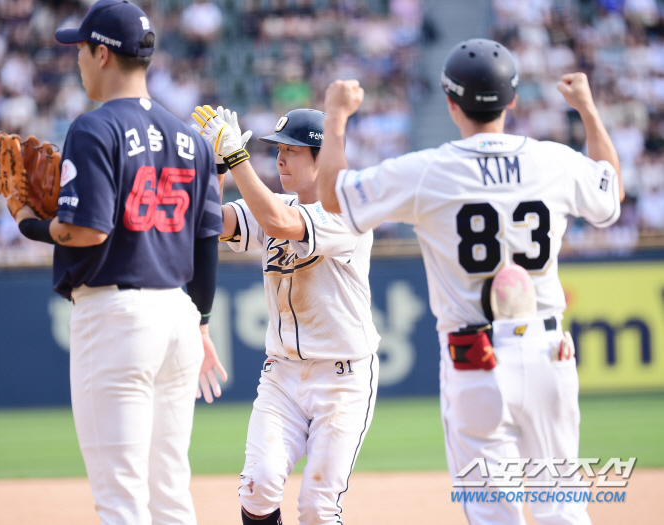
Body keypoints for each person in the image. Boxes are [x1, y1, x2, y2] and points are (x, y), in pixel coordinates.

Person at [317, 38, 623, 525]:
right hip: (548, 352)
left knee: (491, 514)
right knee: (562, 508)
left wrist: (336, 115)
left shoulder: (427, 170)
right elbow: (611, 192)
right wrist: (586, 107)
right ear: (513, 100)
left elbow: (333, 197)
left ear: (450, 102)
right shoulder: (554, 161)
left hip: (473, 360)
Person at [13, 1, 227, 523]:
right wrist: (199, 322)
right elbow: (207, 240)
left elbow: (87, 230)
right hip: (178, 318)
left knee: (121, 500)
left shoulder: (94, 128)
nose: (78, 60)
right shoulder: (191, 139)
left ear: (103, 53)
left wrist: (27, 221)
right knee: (170, 493)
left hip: (117, 319)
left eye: (81, 49)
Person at [191, 105, 380, 525]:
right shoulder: (275, 202)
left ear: (321, 158)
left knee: (317, 509)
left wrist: (237, 158)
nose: (279, 158)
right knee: (257, 490)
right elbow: (206, 220)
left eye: (292, 150)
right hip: (283, 374)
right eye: (277, 148)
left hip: (342, 380)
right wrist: (215, 166)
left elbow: (279, 223)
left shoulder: (345, 213)